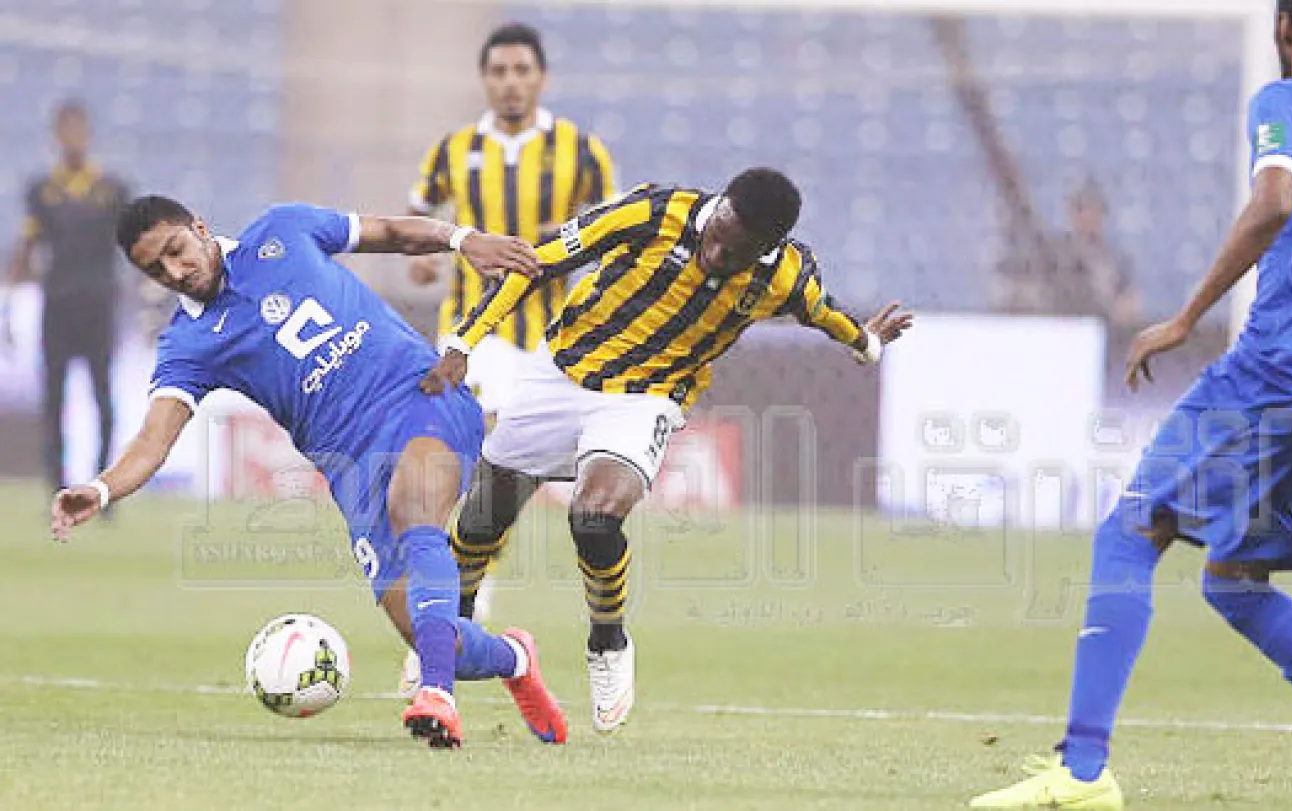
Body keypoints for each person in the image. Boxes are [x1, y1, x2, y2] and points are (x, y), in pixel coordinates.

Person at [968, 1, 1292, 809]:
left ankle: (1081, 772)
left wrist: (1186, 317)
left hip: (1289, 357)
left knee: (1132, 528)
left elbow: (1276, 201)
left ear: (1285, 29)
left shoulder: (1284, 104)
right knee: (1236, 579)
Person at [50, 196, 570, 749]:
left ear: (200, 228)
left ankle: (436, 694)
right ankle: (514, 659)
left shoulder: (283, 230)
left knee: (415, 509)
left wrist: (464, 241)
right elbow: (154, 441)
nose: (175, 273)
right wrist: (101, 488)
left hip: (420, 398)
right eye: (156, 270)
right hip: (351, 470)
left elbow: (390, 229)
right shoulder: (189, 345)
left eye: (176, 251)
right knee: (427, 630)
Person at [422, 167, 913, 733]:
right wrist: (464, 341)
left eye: (737, 249)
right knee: (483, 517)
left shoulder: (785, 277)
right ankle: (445, 647)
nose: (718, 250)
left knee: (595, 518)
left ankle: (607, 641)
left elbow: (825, 314)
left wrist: (868, 343)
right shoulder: (652, 213)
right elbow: (540, 260)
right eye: (719, 231)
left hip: (646, 400)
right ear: (719, 204)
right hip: (561, 373)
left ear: (768, 248)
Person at [400, 21, 615, 689]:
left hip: (550, 339)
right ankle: (457, 599)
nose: (511, 82)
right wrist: (428, 263)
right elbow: (418, 209)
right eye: (499, 72)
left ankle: (462, 589)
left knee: (506, 471)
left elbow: (611, 229)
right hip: (472, 333)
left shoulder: (580, 150)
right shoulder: (454, 150)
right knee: (465, 447)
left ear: (541, 77)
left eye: (522, 70)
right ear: (485, 79)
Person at [4, 101, 131, 501]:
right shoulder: (42, 190)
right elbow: (28, 245)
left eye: (78, 130)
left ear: (87, 135)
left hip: (98, 303)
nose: (72, 138)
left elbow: (132, 244)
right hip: (57, 305)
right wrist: (8, 294)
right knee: (53, 399)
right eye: (65, 130)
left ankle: (103, 488)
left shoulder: (113, 190)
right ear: (56, 136)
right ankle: (56, 489)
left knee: (103, 398)